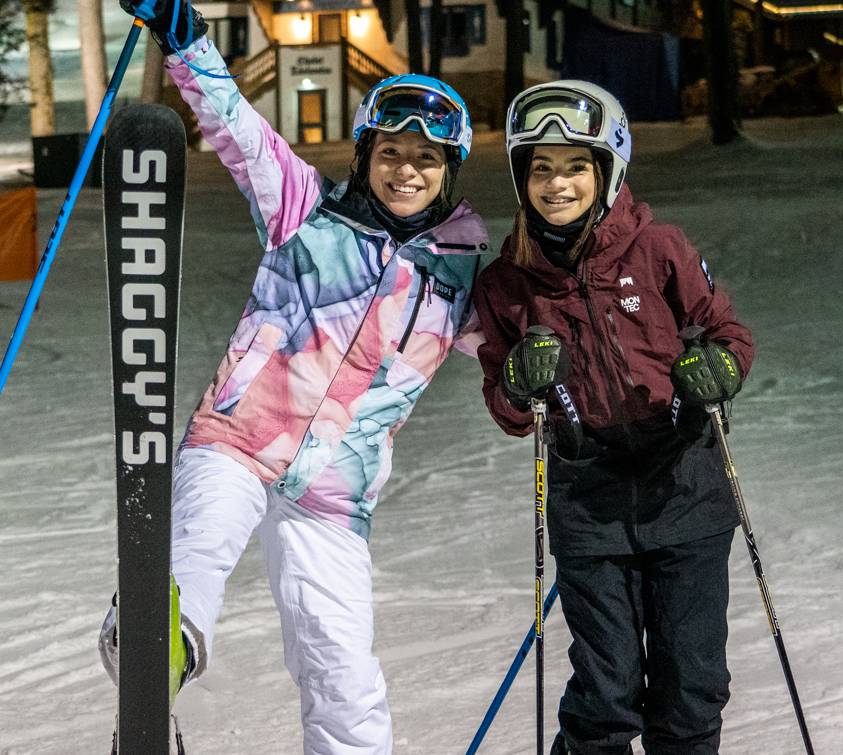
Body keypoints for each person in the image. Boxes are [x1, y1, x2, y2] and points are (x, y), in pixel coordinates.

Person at [96, 0, 489, 751]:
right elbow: (237, 127)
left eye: (426, 159)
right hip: (238, 443)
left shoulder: (463, 278)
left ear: (447, 172)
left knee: (342, 669)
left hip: (333, 494)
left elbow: (524, 348)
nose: (406, 170)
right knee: (191, 567)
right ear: (366, 154)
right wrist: (183, 36)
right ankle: (154, 645)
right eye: (392, 152)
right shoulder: (305, 211)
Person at [473, 80, 755, 754]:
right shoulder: (507, 284)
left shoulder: (657, 247)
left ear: (607, 169)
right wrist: (518, 383)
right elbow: (506, 407)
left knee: (690, 690)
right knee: (606, 692)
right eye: (539, 168)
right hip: (589, 497)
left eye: (575, 166)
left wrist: (717, 370)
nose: (557, 184)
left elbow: (728, 335)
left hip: (683, 483)